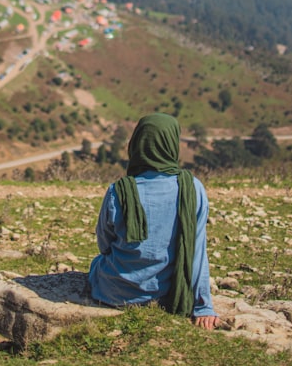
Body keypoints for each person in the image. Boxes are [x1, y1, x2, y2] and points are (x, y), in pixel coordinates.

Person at [89, 113, 219, 329]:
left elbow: (104, 245)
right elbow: (196, 253)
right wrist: (203, 306)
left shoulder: (117, 191)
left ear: (137, 144)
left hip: (114, 292)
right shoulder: (192, 189)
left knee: (96, 264)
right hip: (167, 294)